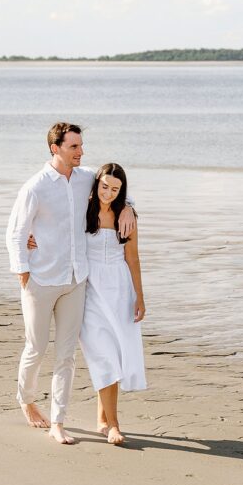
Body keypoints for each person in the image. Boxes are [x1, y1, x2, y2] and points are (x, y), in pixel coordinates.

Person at [5, 122, 135, 444]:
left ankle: (58, 422)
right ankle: (27, 400)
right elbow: (16, 233)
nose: (81, 152)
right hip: (41, 280)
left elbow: (113, 186)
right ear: (56, 148)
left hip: (77, 280)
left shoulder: (86, 178)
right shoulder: (35, 187)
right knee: (36, 347)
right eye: (74, 147)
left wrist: (129, 207)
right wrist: (23, 270)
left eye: (81, 146)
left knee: (66, 355)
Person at [75, 163, 146, 444]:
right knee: (102, 353)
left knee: (115, 354)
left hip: (120, 289)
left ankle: (102, 420)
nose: (108, 193)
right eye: (104, 186)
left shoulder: (126, 217)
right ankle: (114, 426)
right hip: (90, 288)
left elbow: (133, 258)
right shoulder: (84, 210)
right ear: (96, 184)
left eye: (115, 189)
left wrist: (140, 296)